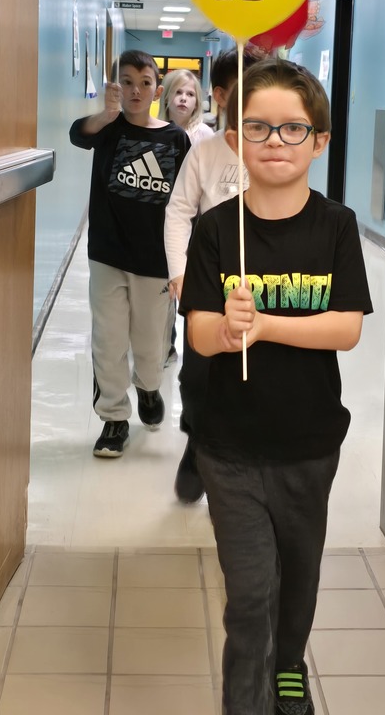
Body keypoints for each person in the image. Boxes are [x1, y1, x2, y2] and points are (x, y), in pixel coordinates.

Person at [180, 58, 373, 715]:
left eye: (293, 130)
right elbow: (202, 334)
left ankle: (289, 665)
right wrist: (229, 329)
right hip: (228, 448)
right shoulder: (215, 231)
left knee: (298, 579)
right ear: (233, 139)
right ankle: (245, 699)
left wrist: (263, 326)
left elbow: (345, 329)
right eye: (257, 127)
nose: (275, 142)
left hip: (310, 445)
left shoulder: (337, 227)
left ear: (320, 141)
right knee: (252, 592)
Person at [70, 49, 190, 458]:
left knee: (150, 344)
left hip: (156, 261)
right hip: (107, 254)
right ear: (116, 87)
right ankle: (114, 418)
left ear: (158, 89)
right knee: (108, 339)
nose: (135, 89)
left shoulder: (175, 139)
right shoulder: (109, 129)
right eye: (126, 81)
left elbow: (187, 199)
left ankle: (149, 388)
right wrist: (105, 114)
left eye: (144, 82)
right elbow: (77, 134)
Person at [164, 49, 256, 501]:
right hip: (206, 281)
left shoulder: (275, 152)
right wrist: (179, 274)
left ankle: (242, 458)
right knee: (198, 374)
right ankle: (197, 441)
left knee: (251, 373)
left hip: (261, 288)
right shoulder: (204, 153)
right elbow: (179, 213)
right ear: (221, 97)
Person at [158, 68, 213, 145]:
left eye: (190, 94)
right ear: (166, 98)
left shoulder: (205, 134)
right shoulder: (156, 133)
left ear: (196, 104)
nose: (183, 98)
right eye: (178, 92)